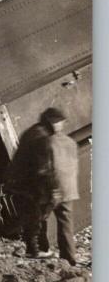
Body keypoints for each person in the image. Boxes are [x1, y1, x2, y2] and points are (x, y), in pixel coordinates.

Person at [6, 107, 78, 264]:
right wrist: (52, 189)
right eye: (60, 123)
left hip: (34, 183)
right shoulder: (42, 138)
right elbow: (44, 168)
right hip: (39, 185)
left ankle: (43, 250)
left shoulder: (37, 133)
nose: (62, 126)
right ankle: (46, 252)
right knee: (40, 217)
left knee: (38, 217)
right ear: (52, 122)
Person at [41, 108, 80, 266]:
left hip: (53, 189)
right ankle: (69, 259)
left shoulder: (47, 143)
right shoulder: (71, 142)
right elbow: (73, 167)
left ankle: (42, 252)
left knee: (39, 219)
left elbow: (48, 169)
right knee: (65, 224)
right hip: (69, 189)